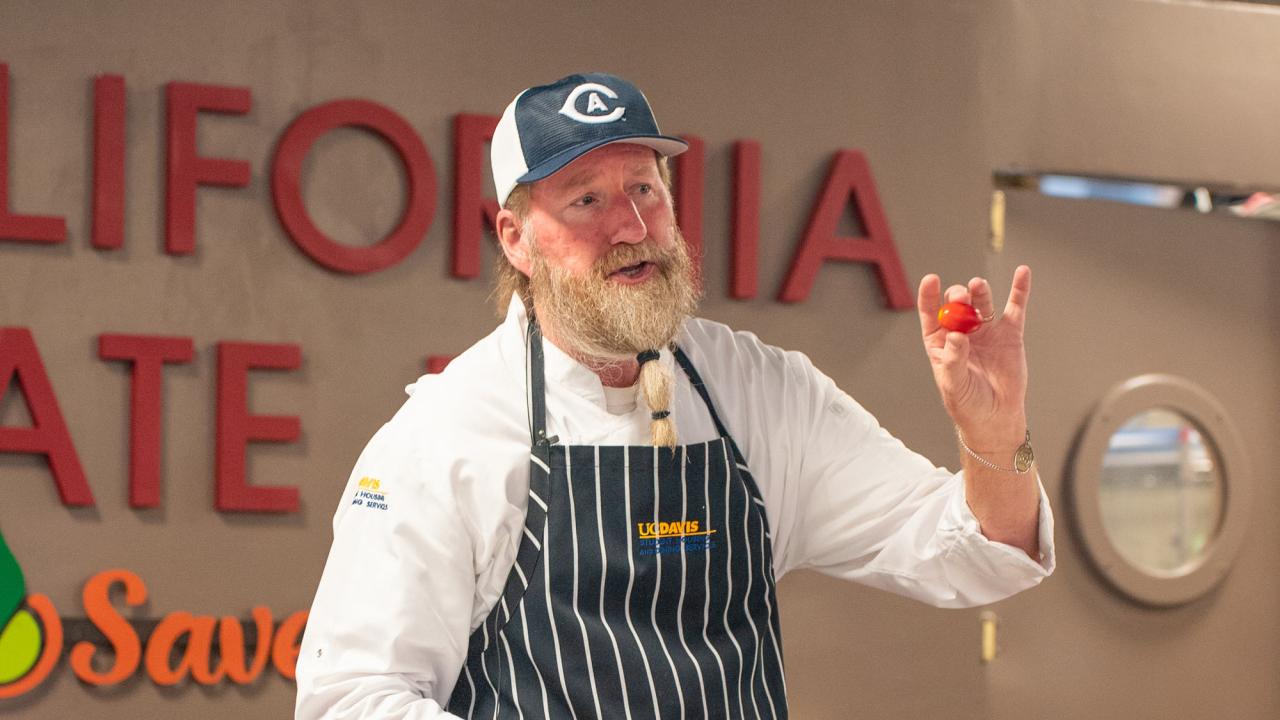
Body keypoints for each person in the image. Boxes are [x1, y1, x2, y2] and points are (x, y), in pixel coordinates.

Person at [295, 72, 1054, 720]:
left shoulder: (760, 391)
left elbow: (976, 557)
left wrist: (997, 435)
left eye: (643, 189)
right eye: (585, 201)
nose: (630, 224)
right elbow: (354, 697)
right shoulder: (445, 432)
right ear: (517, 240)